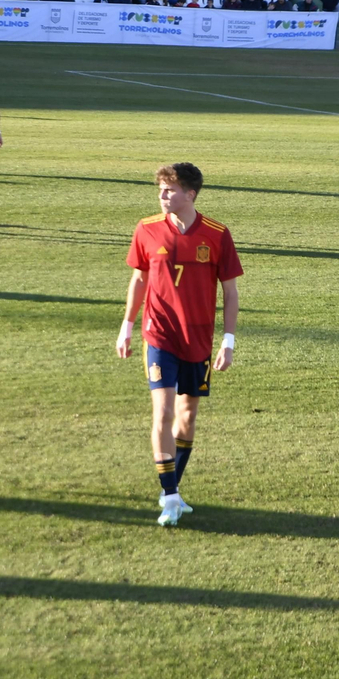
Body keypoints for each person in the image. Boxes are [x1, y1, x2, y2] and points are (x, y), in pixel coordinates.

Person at [115, 162, 243, 526]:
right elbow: (138, 281)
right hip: (159, 335)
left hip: (199, 341)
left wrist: (228, 341)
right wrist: (127, 326)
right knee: (164, 413)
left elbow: (230, 292)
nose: (162, 195)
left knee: (187, 419)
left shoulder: (217, 235)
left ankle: (171, 487)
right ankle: (170, 495)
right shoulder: (147, 229)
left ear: (190, 194)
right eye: (160, 189)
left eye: (169, 189)